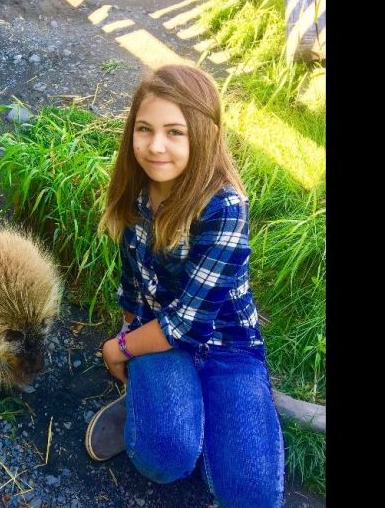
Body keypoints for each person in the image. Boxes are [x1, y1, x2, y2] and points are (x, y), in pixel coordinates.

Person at [84, 65, 284, 507]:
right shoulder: (135, 191)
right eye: (144, 129)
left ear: (204, 134)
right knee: (165, 461)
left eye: (175, 132)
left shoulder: (226, 207)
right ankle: (149, 401)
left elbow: (187, 327)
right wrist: (131, 335)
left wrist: (117, 349)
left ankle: (206, 406)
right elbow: (133, 284)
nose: (155, 146)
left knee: (252, 497)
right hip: (160, 336)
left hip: (228, 346)